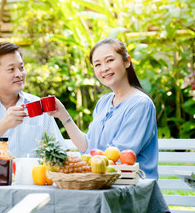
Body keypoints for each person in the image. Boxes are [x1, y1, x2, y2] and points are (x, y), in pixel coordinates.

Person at [48, 38, 159, 179]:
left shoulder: (140, 104)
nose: (104, 68)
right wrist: (62, 114)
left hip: (130, 188)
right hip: (101, 183)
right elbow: (87, 146)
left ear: (127, 61)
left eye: (110, 60)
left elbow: (117, 157)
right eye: (97, 64)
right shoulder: (104, 102)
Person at [0, 42, 65, 164]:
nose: (19, 74)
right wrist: (4, 124)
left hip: (30, 181)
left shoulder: (38, 105)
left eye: (21, 67)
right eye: (11, 69)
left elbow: (60, 152)